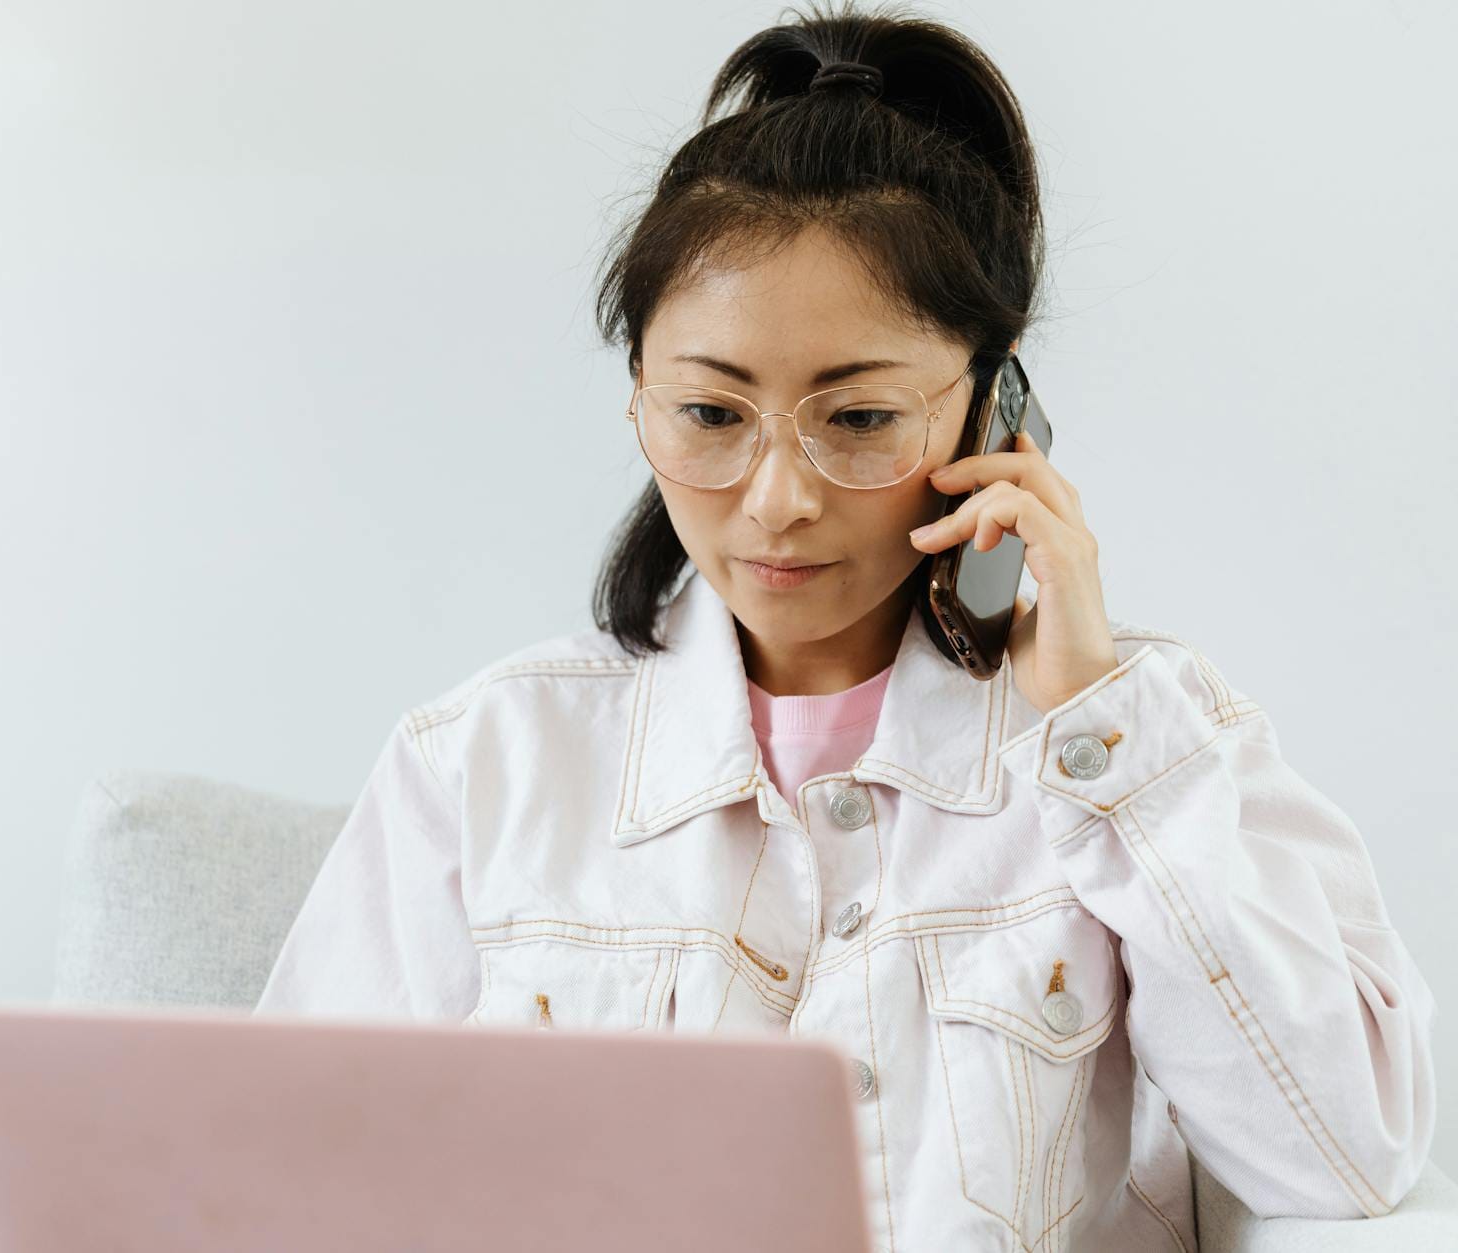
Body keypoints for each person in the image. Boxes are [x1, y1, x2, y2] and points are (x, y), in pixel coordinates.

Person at [252, 3, 1438, 1246]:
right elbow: (283, 1187)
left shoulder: (1142, 741)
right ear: (638, 402)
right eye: (710, 414)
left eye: (859, 418)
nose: (776, 499)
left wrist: (1098, 738)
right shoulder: (485, 762)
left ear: (995, 405)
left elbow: (1340, 1160)